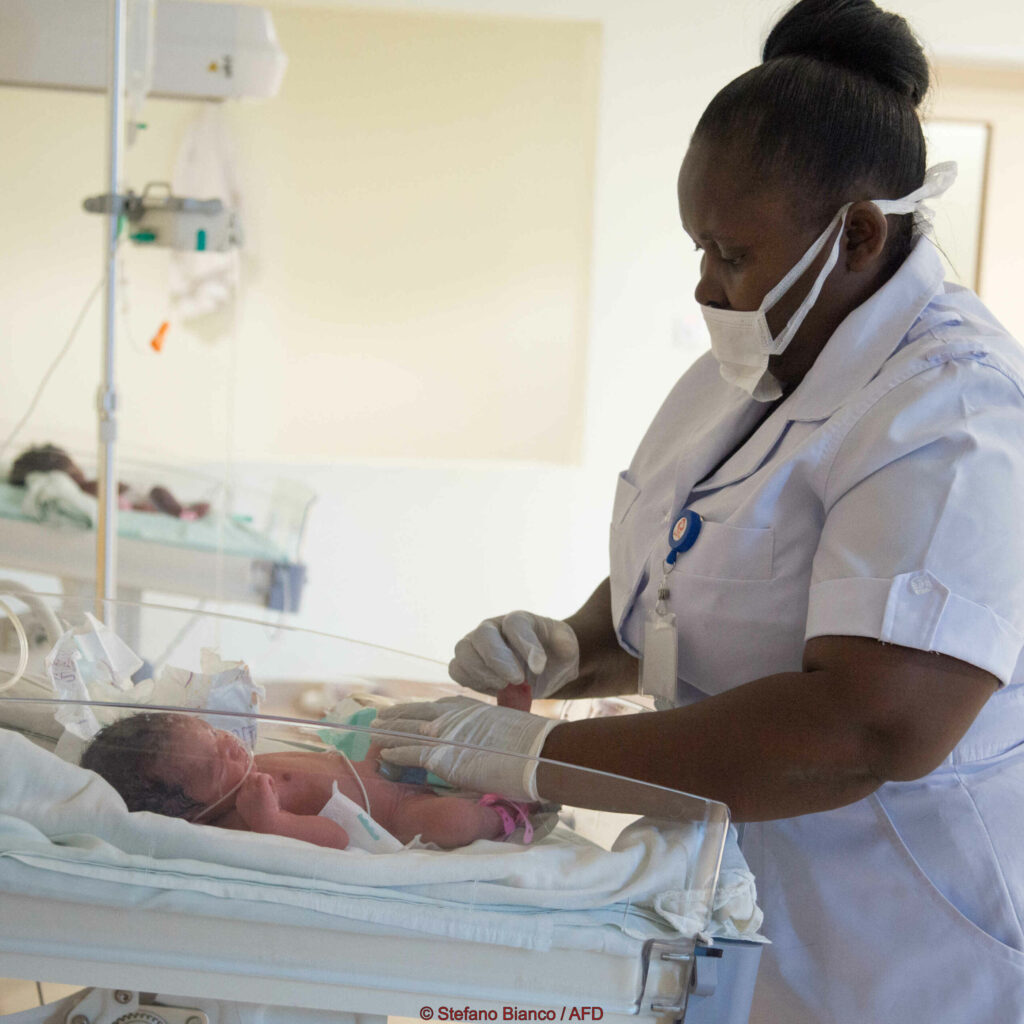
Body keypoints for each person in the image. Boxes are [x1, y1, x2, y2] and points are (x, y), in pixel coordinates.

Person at [372, 0, 1024, 1019]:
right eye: (697, 247)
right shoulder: (746, 362)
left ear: (854, 233)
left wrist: (532, 760)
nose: (704, 285)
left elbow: (867, 725)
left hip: (911, 947)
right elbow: (688, 586)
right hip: (746, 907)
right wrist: (570, 646)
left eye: (729, 252)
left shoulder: (954, 414)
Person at [80, 712, 537, 850]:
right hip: (396, 814)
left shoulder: (244, 767)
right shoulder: (241, 822)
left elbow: (327, 757)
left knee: (406, 723)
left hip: (377, 770)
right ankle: (505, 818)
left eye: (214, 733)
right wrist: (275, 825)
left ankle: (511, 735)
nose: (229, 746)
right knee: (452, 822)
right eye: (212, 764)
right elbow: (336, 837)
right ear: (186, 813)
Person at [8, 443, 211, 519]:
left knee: (161, 495)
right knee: (159, 493)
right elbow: (114, 499)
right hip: (140, 499)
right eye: (72, 464)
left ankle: (182, 510)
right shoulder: (83, 488)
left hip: (138, 497)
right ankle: (182, 512)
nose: (78, 468)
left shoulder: (84, 487)